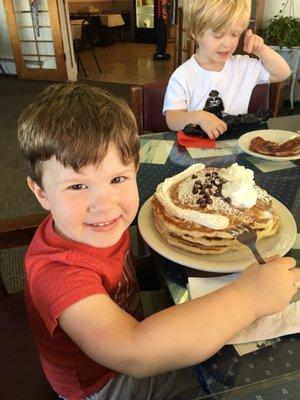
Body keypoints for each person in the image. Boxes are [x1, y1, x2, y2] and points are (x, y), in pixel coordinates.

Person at [18, 83, 299, 400]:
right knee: (227, 369)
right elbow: (134, 352)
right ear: (41, 192)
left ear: (134, 170)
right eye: (77, 187)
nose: (104, 204)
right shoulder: (58, 275)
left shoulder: (90, 223)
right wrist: (250, 298)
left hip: (129, 316)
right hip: (103, 383)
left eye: (117, 179)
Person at [163, 0, 291, 139]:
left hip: (235, 148)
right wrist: (199, 117)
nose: (227, 43)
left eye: (235, 34)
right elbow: (172, 120)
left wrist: (260, 49)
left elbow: (283, 73)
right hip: (197, 150)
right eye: (218, 35)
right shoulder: (183, 75)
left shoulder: (243, 66)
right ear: (195, 32)